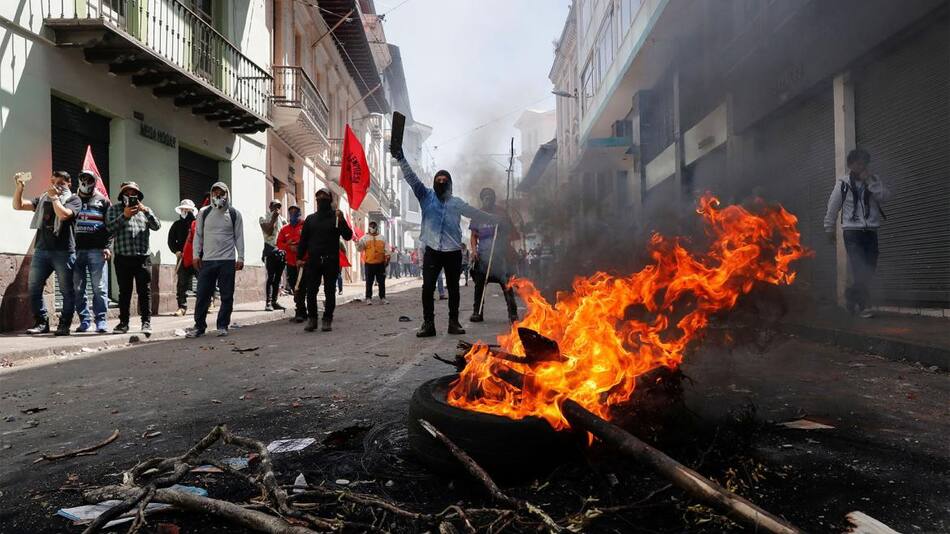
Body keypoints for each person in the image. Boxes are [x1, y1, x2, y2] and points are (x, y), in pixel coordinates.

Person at [391, 146, 499, 337]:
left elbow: (473, 212)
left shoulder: (456, 202)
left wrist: (492, 218)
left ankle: (453, 323)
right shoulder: (425, 196)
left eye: (444, 180)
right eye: (438, 180)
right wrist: (400, 158)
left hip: (453, 252)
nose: (441, 183)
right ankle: (428, 324)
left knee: (454, 289)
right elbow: (411, 178)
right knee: (427, 288)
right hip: (432, 250)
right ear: (434, 183)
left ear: (450, 184)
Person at [824, 148, 891, 319]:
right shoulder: (843, 183)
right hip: (852, 232)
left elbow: (885, 197)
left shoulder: (874, 180)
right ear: (850, 165)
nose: (861, 166)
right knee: (860, 267)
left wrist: (870, 182)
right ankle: (862, 306)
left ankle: (851, 296)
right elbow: (832, 207)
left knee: (870, 268)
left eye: (864, 163)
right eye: (858, 163)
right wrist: (829, 228)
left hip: (871, 231)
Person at [13, 170, 82, 335]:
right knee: (34, 287)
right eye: (54, 182)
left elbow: (63, 215)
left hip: (64, 251)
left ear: (69, 183)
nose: (57, 186)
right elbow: (18, 205)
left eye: (61, 183)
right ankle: (41, 322)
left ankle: (64, 324)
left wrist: (55, 198)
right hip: (42, 250)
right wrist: (20, 187)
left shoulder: (74, 199)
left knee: (66, 290)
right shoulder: (44, 198)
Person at [187, 182, 245, 337]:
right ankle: (199, 327)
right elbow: (198, 235)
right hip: (207, 260)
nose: (218, 195)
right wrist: (195, 255)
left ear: (227, 194)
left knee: (227, 295)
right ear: (211, 194)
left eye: (221, 192)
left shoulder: (234, 214)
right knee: (202, 295)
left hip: (227, 260)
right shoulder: (204, 212)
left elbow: (239, 237)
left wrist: (241, 257)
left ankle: (222, 325)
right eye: (215, 192)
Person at [105, 181, 161, 334]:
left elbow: (157, 226)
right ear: (122, 195)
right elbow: (109, 228)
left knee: (145, 292)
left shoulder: (145, 210)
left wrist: (146, 211)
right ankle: (123, 323)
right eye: (127, 193)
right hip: (123, 258)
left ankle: (146, 322)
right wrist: (124, 216)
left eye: (133, 193)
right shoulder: (114, 209)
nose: (130, 195)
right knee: (124, 292)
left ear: (138, 196)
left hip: (143, 258)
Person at [297, 188, 352, 332]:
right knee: (311, 291)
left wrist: (342, 221)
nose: (321, 198)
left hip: (331, 260)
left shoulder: (336, 217)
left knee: (329, 291)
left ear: (330, 199)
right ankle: (312, 319)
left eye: (324, 196)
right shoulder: (310, 219)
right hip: (313, 261)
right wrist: (299, 258)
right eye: (319, 196)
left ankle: (327, 319)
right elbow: (303, 240)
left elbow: (348, 236)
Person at [469, 187, 519, 324]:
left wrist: (503, 225)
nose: (488, 199)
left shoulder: (501, 213)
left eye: (490, 196)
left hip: (500, 257)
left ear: (493, 198)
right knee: (479, 285)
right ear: (482, 199)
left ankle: (513, 313)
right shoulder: (477, 215)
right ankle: (477, 312)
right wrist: (474, 251)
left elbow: (511, 233)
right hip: (483, 256)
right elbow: (473, 236)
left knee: (506, 284)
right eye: (485, 197)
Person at [72, 170, 112, 333]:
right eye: (82, 178)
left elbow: (110, 226)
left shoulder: (103, 201)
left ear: (94, 182)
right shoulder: (72, 200)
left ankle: (101, 320)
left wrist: (108, 246)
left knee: (99, 288)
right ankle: (84, 320)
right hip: (75, 250)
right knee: (77, 288)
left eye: (89, 179)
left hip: (97, 250)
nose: (85, 181)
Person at [277, 203, 307, 323]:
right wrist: (289, 246)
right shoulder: (285, 229)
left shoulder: (305, 226)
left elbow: (310, 241)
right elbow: (279, 243)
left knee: (302, 287)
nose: (293, 214)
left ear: (300, 213)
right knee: (295, 287)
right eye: (291, 212)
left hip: (303, 263)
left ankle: (301, 312)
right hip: (291, 263)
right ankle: (301, 311)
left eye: (296, 212)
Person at [168, 199, 197, 316]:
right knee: (182, 284)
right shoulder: (176, 225)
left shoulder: (198, 225)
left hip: (197, 258)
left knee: (203, 281)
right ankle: (182, 306)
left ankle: (206, 303)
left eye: (188, 210)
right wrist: (176, 251)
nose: (185, 212)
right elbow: (171, 241)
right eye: (183, 210)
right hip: (182, 258)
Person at [260, 200, 286, 312]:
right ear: (270, 207)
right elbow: (269, 231)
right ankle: (268, 302)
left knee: (278, 278)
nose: (277, 209)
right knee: (271, 277)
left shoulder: (283, 220)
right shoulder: (263, 218)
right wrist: (273, 218)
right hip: (270, 250)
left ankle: (275, 301)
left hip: (281, 252)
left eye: (279, 206)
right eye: (275, 206)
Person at [357, 221, 389, 305]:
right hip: (369, 263)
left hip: (380, 263)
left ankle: (382, 298)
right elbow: (359, 249)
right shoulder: (364, 238)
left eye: (374, 226)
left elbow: (387, 250)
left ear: (377, 227)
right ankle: (368, 298)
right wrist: (357, 243)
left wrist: (387, 260)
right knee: (369, 282)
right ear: (369, 227)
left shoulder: (382, 238)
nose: (373, 227)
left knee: (381, 282)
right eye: (371, 226)